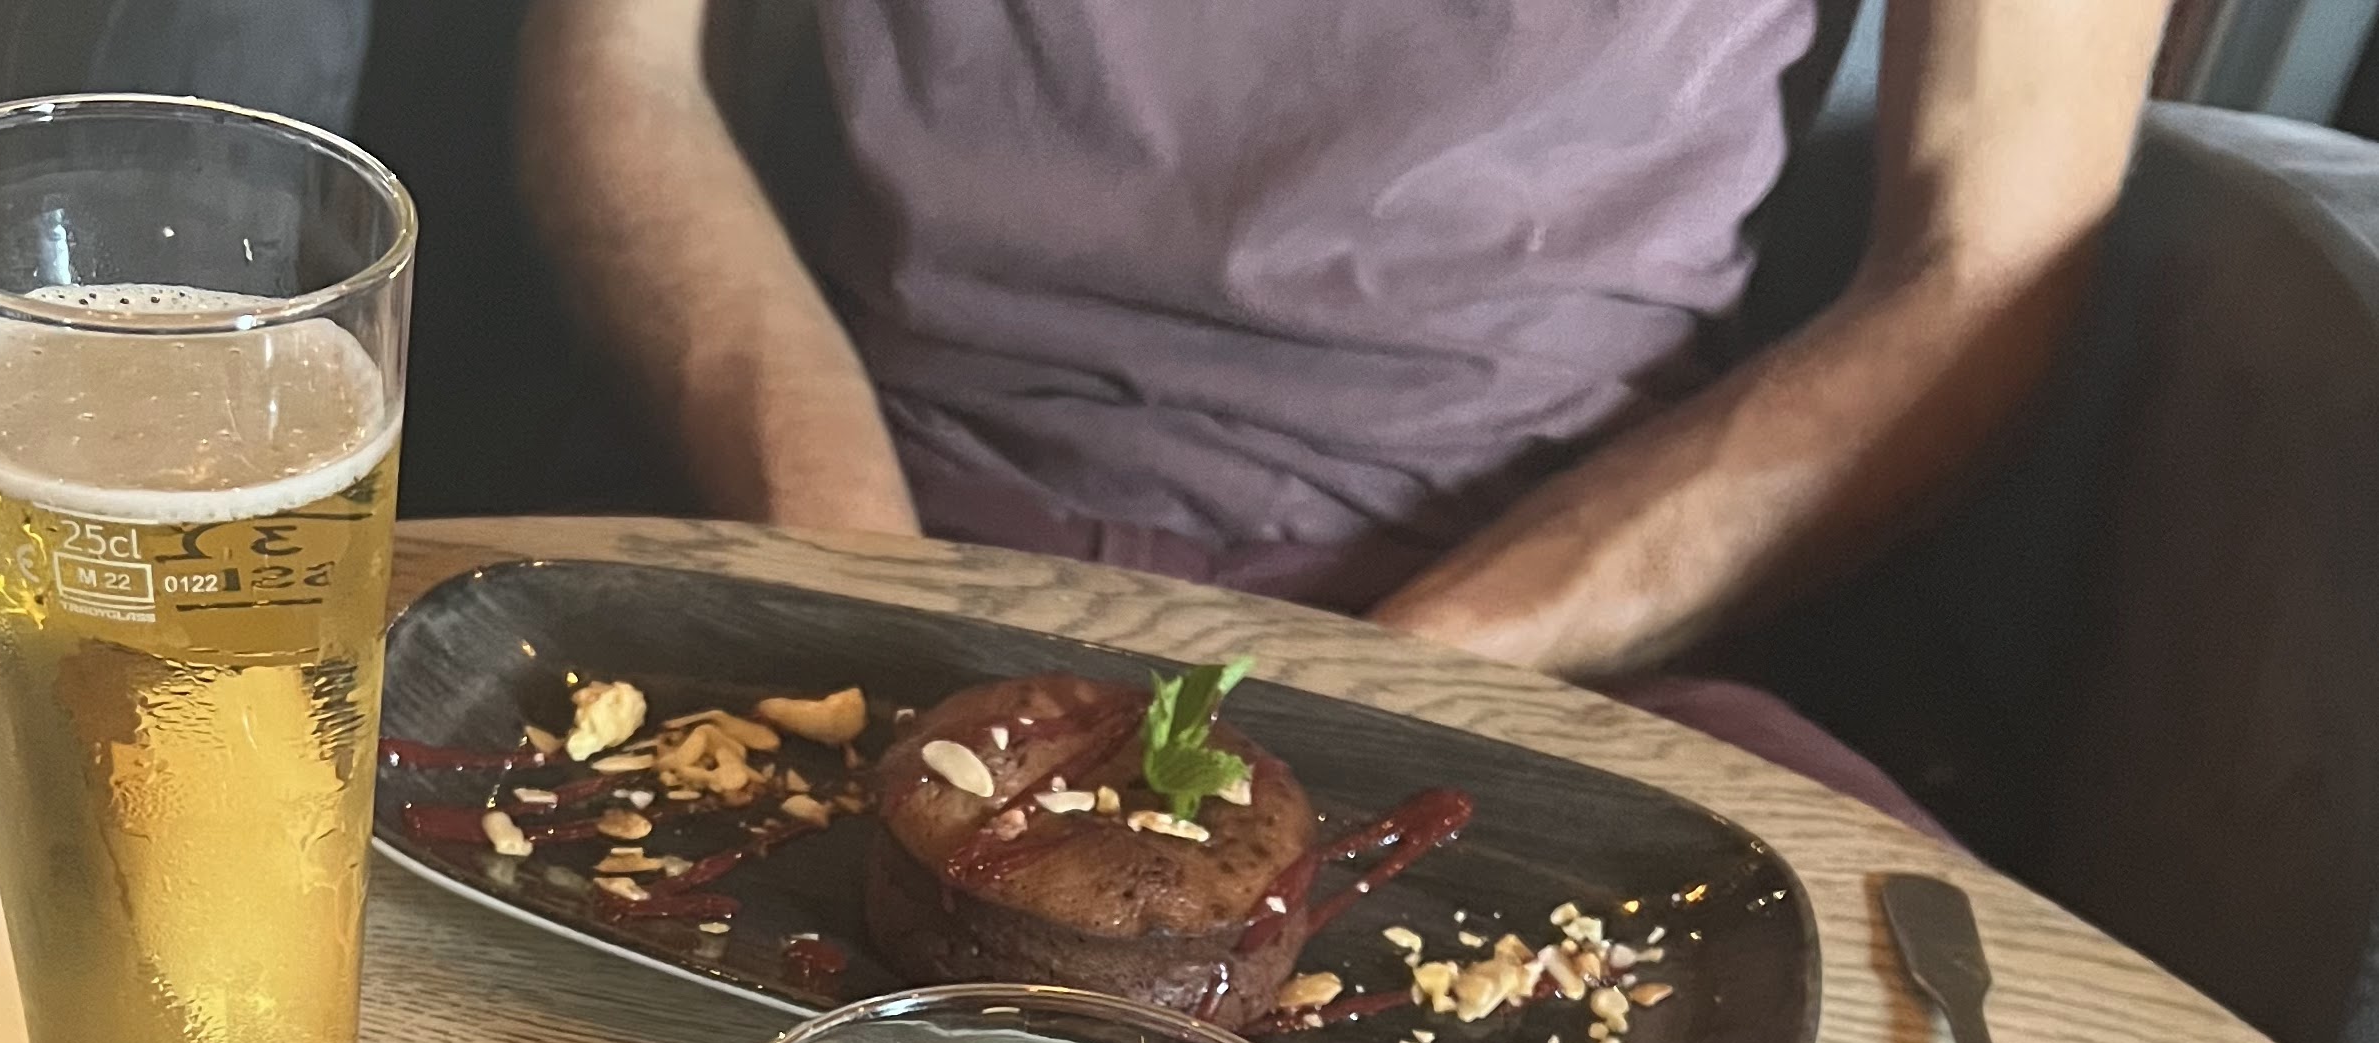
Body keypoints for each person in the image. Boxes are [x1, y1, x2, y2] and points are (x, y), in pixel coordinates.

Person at [516, 1, 2168, 822]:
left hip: (1552, 629)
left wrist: (1405, 682)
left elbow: (1984, 264)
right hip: (838, 524)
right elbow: (620, 66)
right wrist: (864, 592)